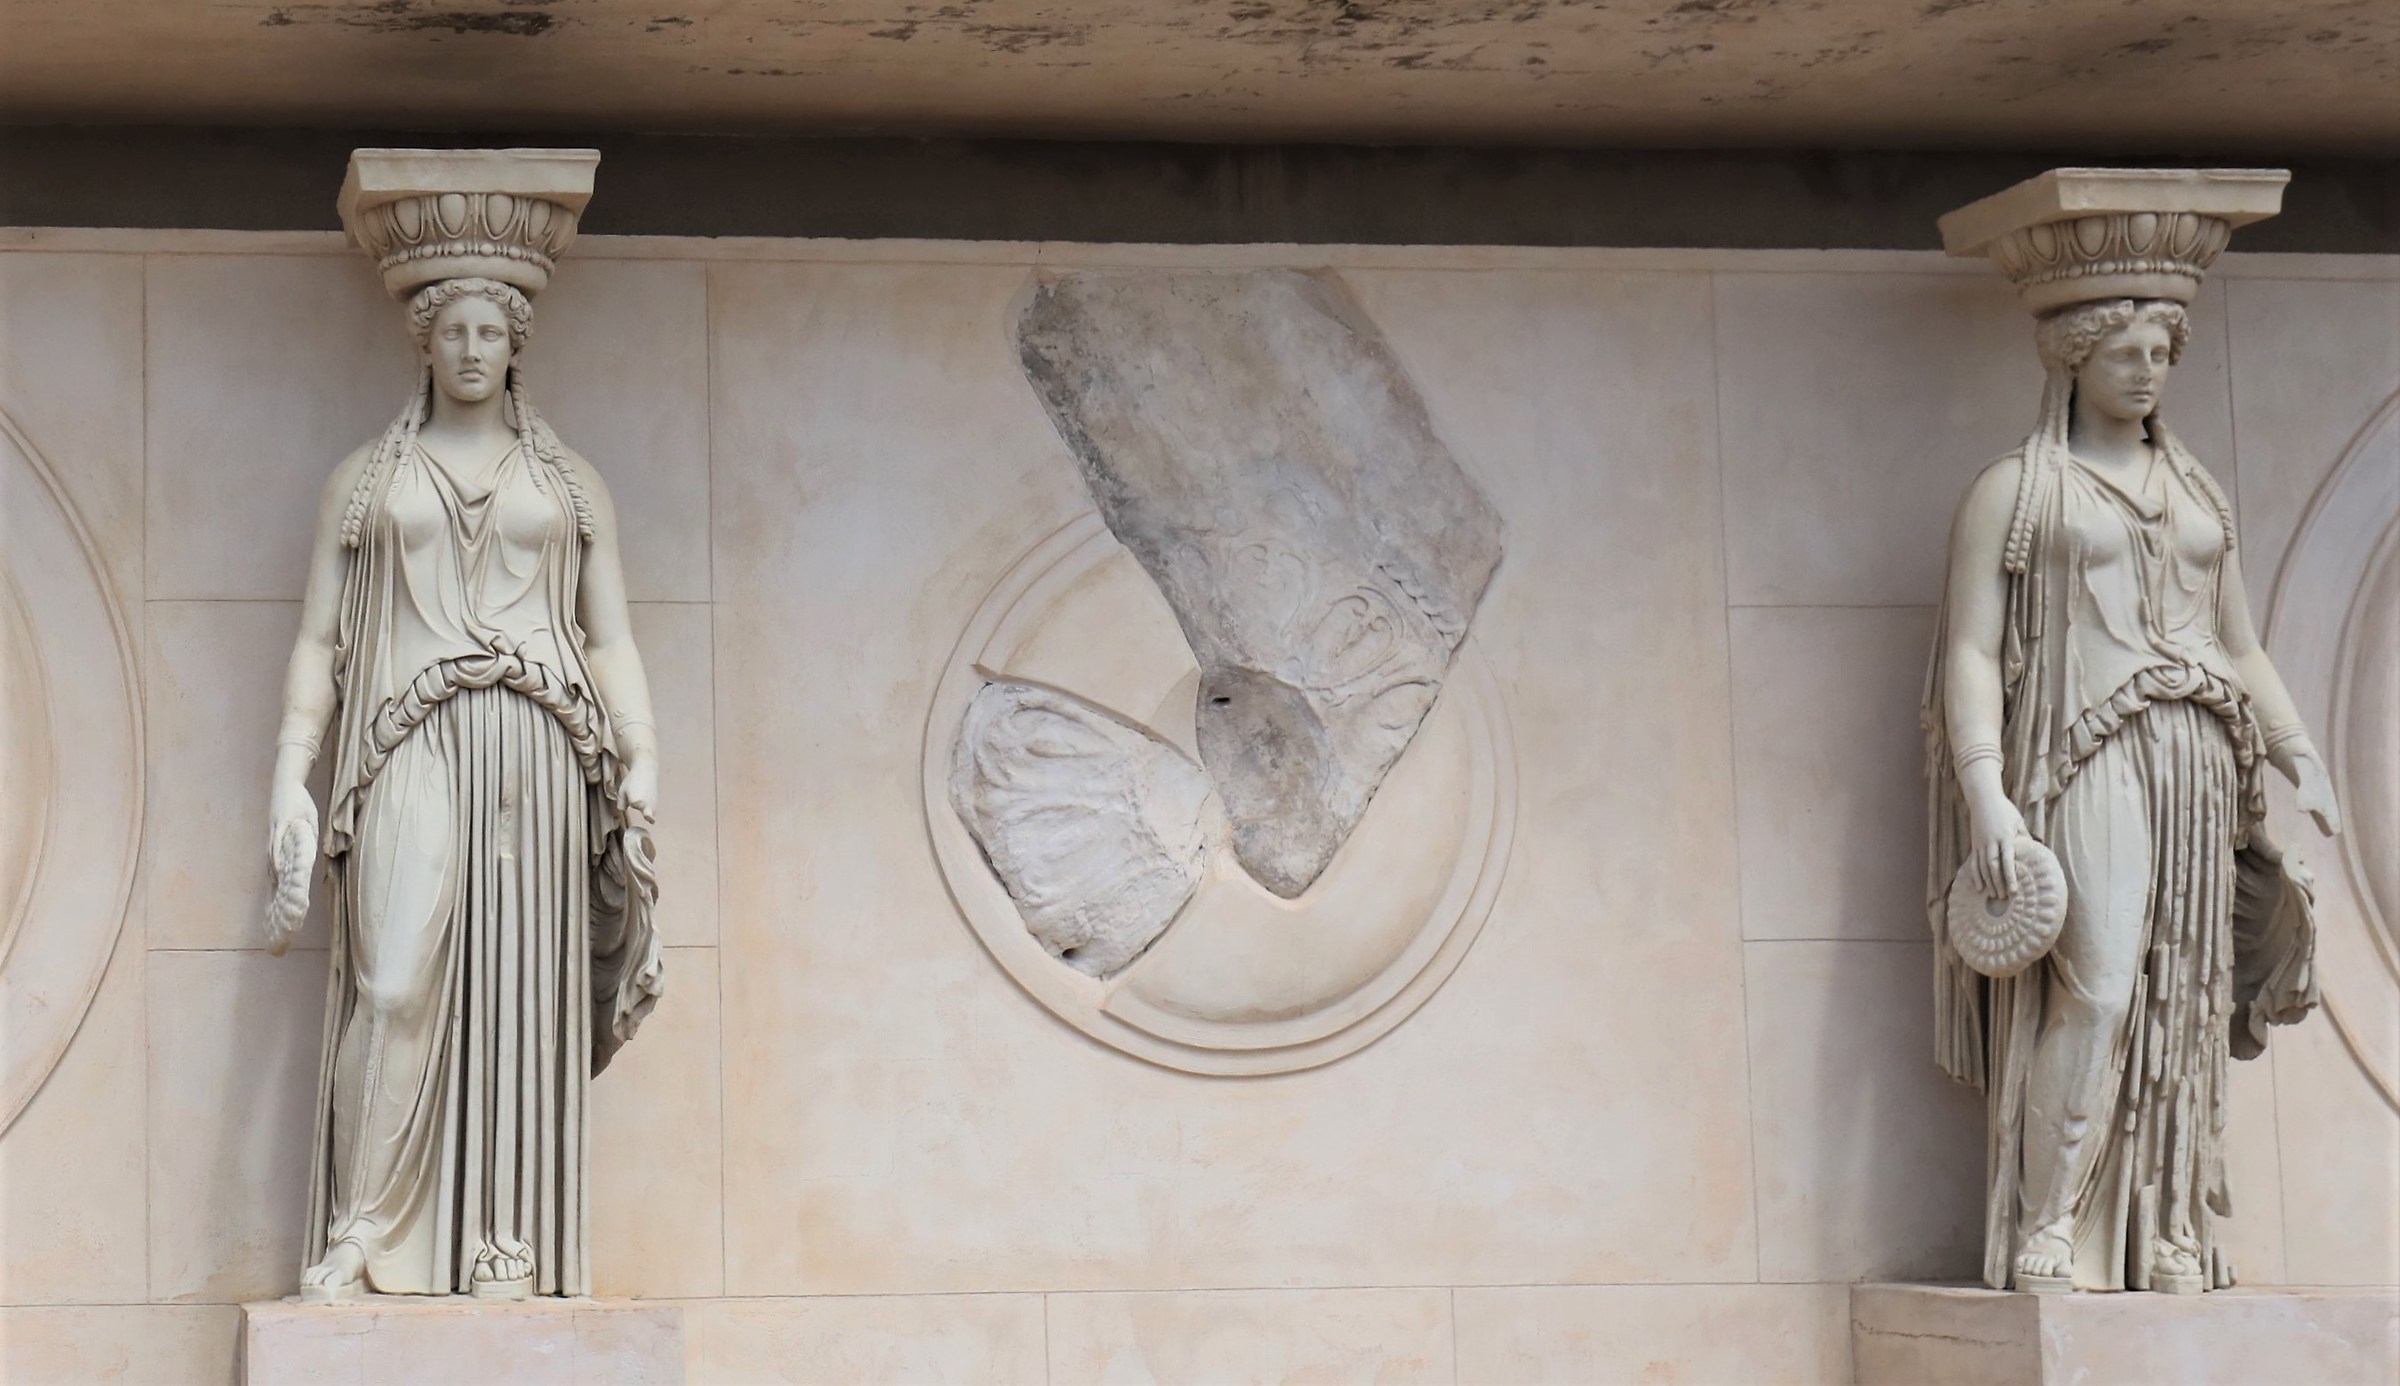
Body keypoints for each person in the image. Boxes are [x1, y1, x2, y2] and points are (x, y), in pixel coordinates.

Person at [1924, 296, 2337, 1293]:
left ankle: (2166, 1227)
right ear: (2074, 358)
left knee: (2183, 1001)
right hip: (2081, 753)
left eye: (2161, 352)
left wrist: (2296, 751)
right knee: (2102, 987)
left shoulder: (2196, 493)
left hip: (2201, 756)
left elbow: (2238, 643)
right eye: (2125, 352)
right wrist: (1987, 795)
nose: (2149, 370)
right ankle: (2049, 1222)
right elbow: (1972, 653)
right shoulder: (2016, 493)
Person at [266, 275, 663, 1301]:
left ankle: (506, 1237)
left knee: (515, 994)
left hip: (538, 745)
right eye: (455, 330)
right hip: (409, 739)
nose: (473, 348)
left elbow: (609, 636)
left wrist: (644, 754)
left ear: (516, 342)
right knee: (392, 983)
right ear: (426, 342)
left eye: (491, 330)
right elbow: (319, 640)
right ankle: (361, 1224)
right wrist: (288, 780)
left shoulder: (569, 484)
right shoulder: (367, 480)